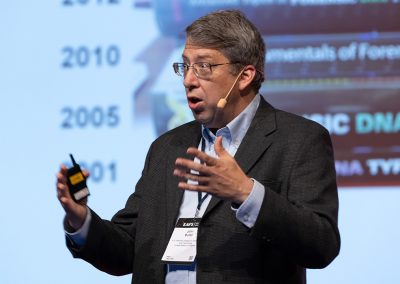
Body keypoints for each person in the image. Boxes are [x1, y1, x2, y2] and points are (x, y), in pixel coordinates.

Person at [56, 9, 340, 284]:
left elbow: (321, 244)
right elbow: (128, 250)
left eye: (204, 66)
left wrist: (246, 193)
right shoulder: (167, 147)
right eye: (185, 66)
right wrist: (81, 221)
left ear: (245, 76)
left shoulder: (299, 139)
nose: (189, 80)